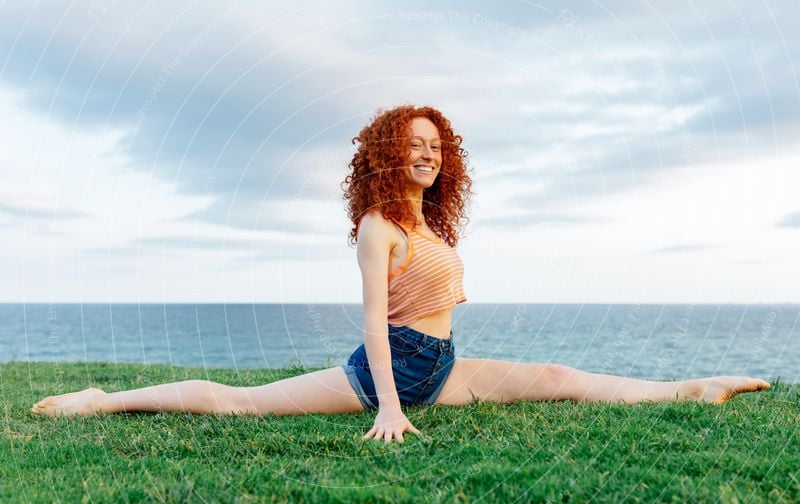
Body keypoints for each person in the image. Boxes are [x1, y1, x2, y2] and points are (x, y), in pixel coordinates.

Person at [31, 104, 771, 443]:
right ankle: (103, 400)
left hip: (442, 365)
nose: (427, 153)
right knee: (240, 404)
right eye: (414, 144)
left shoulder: (429, 225)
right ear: (390, 153)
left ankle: (692, 386)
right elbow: (375, 324)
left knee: (553, 372)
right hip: (390, 368)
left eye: (436, 146)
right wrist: (387, 406)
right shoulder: (378, 226)